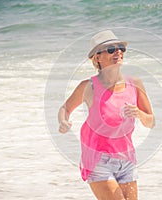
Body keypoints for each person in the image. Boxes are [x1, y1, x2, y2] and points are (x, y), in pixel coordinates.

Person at [58, 30, 155, 200]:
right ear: (97, 58)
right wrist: (63, 121)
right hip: (98, 159)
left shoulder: (135, 84)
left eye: (120, 48)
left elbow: (151, 122)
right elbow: (65, 109)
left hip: (127, 159)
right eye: (110, 49)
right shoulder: (89, 87)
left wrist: (138, 113)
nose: (118, 51)